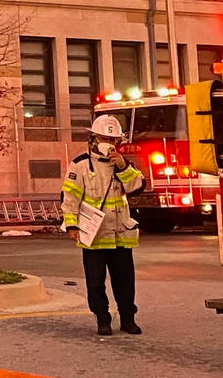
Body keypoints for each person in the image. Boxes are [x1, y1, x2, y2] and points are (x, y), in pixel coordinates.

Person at [63, 113, 148, 336]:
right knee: (95, 283)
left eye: (113, 140)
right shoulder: (80, 165)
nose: (109, 144)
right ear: (93, 139)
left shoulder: (122, 164)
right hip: (94, 236)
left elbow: (137, 187)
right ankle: (102, 318)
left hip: (121, 234)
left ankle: (128, 319)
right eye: (104, 139)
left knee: (125, 282)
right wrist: (71, 226)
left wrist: (122, 167)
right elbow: (70, 198)